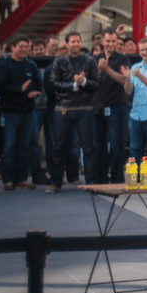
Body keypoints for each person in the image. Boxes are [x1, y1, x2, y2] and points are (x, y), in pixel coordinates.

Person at [47, 32, 100, 193]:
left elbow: (97, 84)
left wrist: (83, 81)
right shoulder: (59, 61)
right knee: (58, 146)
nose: (76, 44)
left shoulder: (90, 61)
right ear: (67, 44)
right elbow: (54, 83)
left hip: (85, 109)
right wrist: (74, 85)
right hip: (64, 108)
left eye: (78, 41)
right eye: (73, 41)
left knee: (88, 147)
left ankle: (91, 182)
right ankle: (55, 183)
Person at [0, 37, 43, 190]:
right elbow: (1, 88)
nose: (24, 49)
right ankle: (8, 179)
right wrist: (20, 90)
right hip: (10, 113)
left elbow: (38, 84)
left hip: (28, 112)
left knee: (24, 146)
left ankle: (21, 179)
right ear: (12, 47)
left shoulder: (31, 65)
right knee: (9, 146)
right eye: (20, 46)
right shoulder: (3, 65)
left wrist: (34, 93)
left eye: (26, 46)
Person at [94, 29, 130, 184]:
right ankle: (101, 180)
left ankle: (116, 180)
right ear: (102, 41)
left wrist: (107, 69)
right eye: (107, 41)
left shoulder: (123, 59)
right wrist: (98, 69)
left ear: (117, 42)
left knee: (117, 145)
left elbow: (124, 80)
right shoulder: (94, 59)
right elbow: (89, 80)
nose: (110, 44)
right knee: (99, 145)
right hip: (98, 108)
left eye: (113, 41)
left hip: (117, 107)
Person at [124, 38, 147, 166]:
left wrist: (139, 76)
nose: (145, 52)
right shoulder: (136, 67)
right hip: (135, 115)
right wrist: (128, 79)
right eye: (142, 50)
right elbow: (129, 91)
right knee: (134, 150)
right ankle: (136, 180)